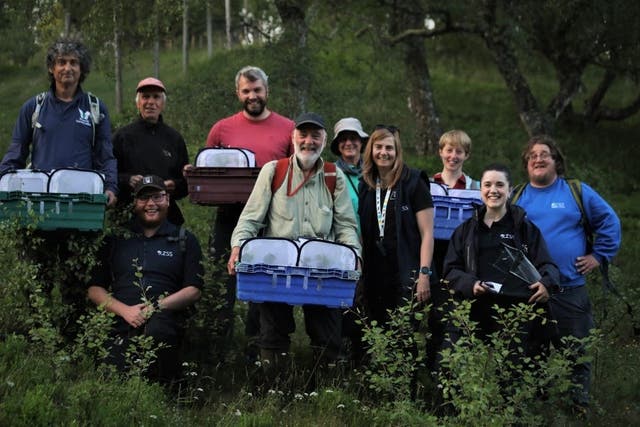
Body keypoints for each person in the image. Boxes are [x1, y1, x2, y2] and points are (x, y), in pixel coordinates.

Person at [227, 112, 361, 370]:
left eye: (315, 136)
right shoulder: (273, 171)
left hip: (323, 268)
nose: (308, 141)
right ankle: (274, 387)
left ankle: (325, 392)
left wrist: (355, 257)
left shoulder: (334, 176)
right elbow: (250, 219)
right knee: (272, 335)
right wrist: (237, 248)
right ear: (293, 137)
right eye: (303, 134)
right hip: (276, 268)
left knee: (327, 336)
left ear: (324, 140)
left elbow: (346, 226)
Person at [512, 135, 622, 409]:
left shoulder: (575, 191)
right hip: (528, 290)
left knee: (576, 350)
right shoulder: (516, 195)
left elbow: (610, 221)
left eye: (544, 154)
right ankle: (536, 406)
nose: (538, 159)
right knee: (529, 352)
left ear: (556, 162)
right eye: (532, 156)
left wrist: (598, 256)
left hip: (568, 288)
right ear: (526, 164)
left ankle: (578, 406)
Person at [203, 66, 294, 361]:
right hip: (229, 217)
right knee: (222, 282)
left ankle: (257, 351)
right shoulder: (221, 128)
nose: (252, 96)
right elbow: (208, 172)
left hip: (271, 221)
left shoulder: (288, 129)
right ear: (238, 93)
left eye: (257, 90)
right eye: (246, 91)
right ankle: (217, 352)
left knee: (263, 285)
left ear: (267, 91)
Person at [88, 175, 204, 384]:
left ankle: (168, 394)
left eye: (157, 197)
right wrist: (126, 311)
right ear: (135, 203)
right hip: (120, 319)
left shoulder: (185, 239)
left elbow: (193, 290)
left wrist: (155, 307)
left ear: (168, 200)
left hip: (165, 319)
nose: (151, 204)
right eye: (144, 198)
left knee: (158, 334)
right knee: (114, 379)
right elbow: (95, 289)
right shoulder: (115, 239)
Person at [443, 163, 557, 355]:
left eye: (499, 185)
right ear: (480, 191)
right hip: (475, 314)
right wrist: (470, 284)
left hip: (518, 315)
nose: (493, 190)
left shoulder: (525, 229)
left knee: (515, 377)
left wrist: (547, 283)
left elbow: (548, 264)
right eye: (487, 185)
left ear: (510, 190)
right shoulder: (465, 230)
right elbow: (450, 271)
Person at [0, 36, 117, 206]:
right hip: (40, 199)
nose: (67, 68)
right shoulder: (33, 107)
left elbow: (105, 155)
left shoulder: (96, 109)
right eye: (61, 62)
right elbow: (16, 152)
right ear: (51, 68)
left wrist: (111, 187)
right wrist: (3, 178)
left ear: (81, 68)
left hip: (82, 199)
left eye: (73, 62)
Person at [358, 125, 434, 330]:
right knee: (375, 330)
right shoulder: (365, 184)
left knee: (403, 333)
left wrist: (424, 275)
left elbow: (427, 233)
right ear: (370, 150)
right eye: (379, 147)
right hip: (374, 272)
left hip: (405, 271)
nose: (383, 153)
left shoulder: (414, 181)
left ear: (397, 151)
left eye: (389, 148)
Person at [112, 77, 189, 225]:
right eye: (145, 97)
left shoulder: (174, 138)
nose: (151, 102)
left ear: (163, 103)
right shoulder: (122, 137)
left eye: (156, 97)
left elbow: (185, 184)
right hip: (128, 217)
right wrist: (127, 180)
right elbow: (107, 176)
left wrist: (174, 185)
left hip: (166, 217)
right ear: (138, 103)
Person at [331, 117, 369, 224]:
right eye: (343, 139)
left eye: (353, 138)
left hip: (372, 238)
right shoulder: (330, 173)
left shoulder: (373, 172)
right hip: (342, 238)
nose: (348, 143)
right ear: (338, 145)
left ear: (361, 142)